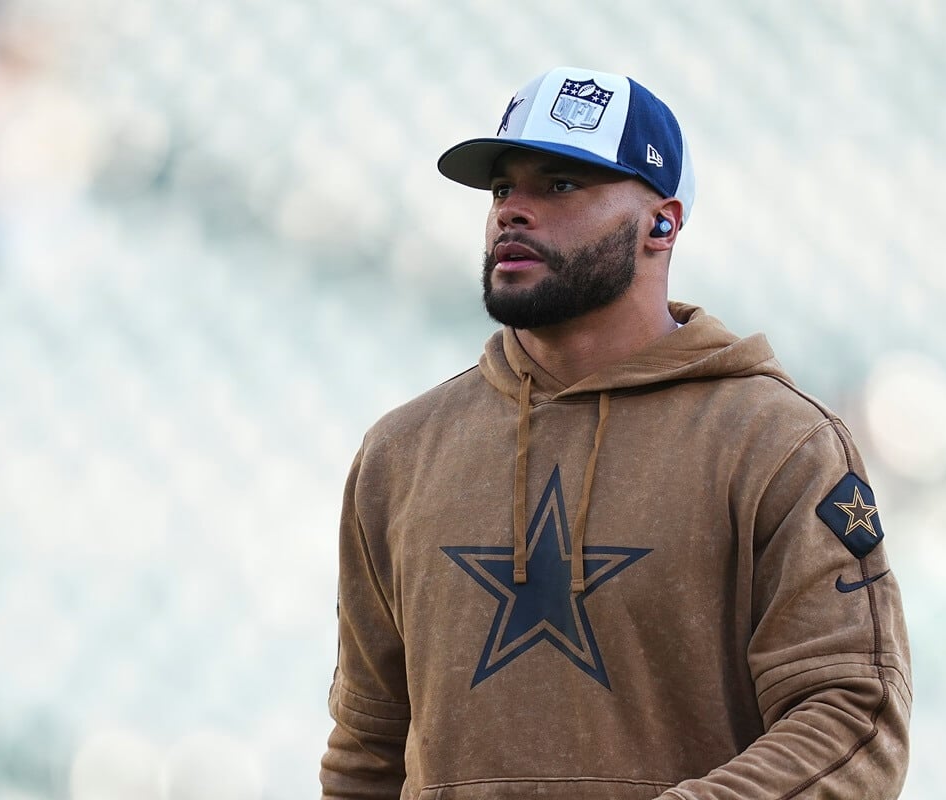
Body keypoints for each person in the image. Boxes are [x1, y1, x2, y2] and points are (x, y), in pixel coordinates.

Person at [320, 66, 912, 800]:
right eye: (504, 188)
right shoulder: (400, 454)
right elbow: (367, 752)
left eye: (560, 185)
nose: (513, 212)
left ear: (662, 223)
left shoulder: (778, 444)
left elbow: (853, 720)